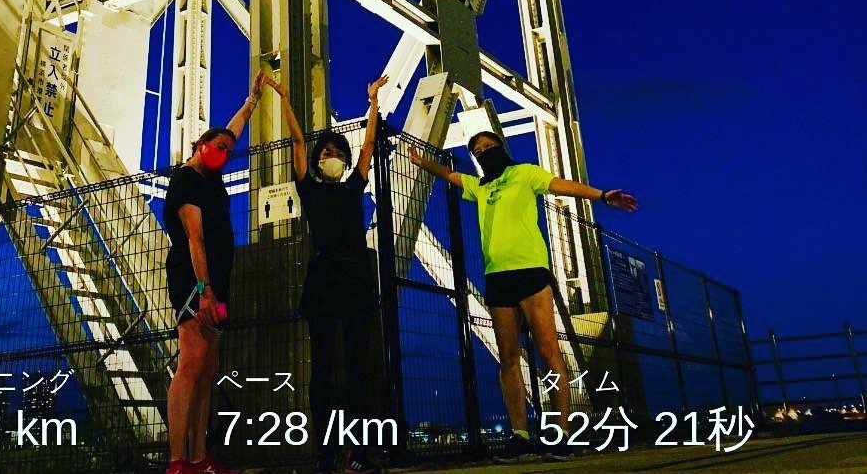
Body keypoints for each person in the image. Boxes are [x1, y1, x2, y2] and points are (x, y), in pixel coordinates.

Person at [409, 131, 638, 463]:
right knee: (508, 358)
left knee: (548, 352)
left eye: (488, 146)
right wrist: (421, 162)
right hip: (496, 276)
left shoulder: (525, 173)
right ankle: (520, 436)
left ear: (501, 148)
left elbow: (560, 185)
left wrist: (601, 195)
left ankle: (559, 433)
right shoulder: (480, 186)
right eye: (477, 150)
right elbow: (450, 175)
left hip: (531, 271)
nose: (484, 152)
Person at [263, 73, 388, 474]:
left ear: (345, 161)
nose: (329, 155)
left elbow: (368, 145)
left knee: (357, 369)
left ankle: (358, 450)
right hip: (325, 281)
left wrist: (372, 103)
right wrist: (285, 98)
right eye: (325, 152)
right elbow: (298, 142)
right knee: (323, 370)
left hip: (354, 280)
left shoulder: (353, 186)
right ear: (317, 162)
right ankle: (327, 450)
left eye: (336, 151)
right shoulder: (310, 189)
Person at [163, 73, 267, 474]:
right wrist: (205, 291)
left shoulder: (211, 176)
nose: (224, 153)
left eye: (228, 150)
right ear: (199, 145)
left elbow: (233, 131)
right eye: (218, 147)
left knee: (207, 370)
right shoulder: (187, 179)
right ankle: (177, 461)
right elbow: (195, 238)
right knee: (191, 364)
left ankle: (199, 457)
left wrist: (251, 101)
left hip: (215, 282)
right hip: (194, 281)